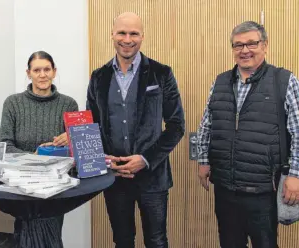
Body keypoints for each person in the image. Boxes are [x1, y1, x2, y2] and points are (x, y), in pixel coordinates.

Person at [196, 21, 299, 248]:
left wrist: (296, 174)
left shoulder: (284, 81)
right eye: (238, 45)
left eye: (252, 43)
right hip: (225, 188)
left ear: (265, 45)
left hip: (263, 191)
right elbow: (207, 124)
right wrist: (203, 161)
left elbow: (298, 131)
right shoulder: (221, 81)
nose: (245, 50)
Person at [86, 12, 185, 248]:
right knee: (122, 240)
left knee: (157, 241)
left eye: (134, 33)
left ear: (142, 36)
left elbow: (176, 126)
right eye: (122, 32)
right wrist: (102, 159)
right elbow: (91, 126)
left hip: (153, 178)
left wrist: (144, 159)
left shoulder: (162, 74)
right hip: (115, 177)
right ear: (112, 34)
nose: (127, 39)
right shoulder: (99, 77)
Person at [0, 51, 78, 236]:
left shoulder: (69, 104)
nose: (42, 75)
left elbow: (77, 152)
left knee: (52, 233)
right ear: (29, 73)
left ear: (54, 71)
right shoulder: (13, 103)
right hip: (22, 183)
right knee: (24, 234)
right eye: (37, 70)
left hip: (55, 185)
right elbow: (5, 145)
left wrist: (71, 138)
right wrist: (34, 157)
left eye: (47, 69)